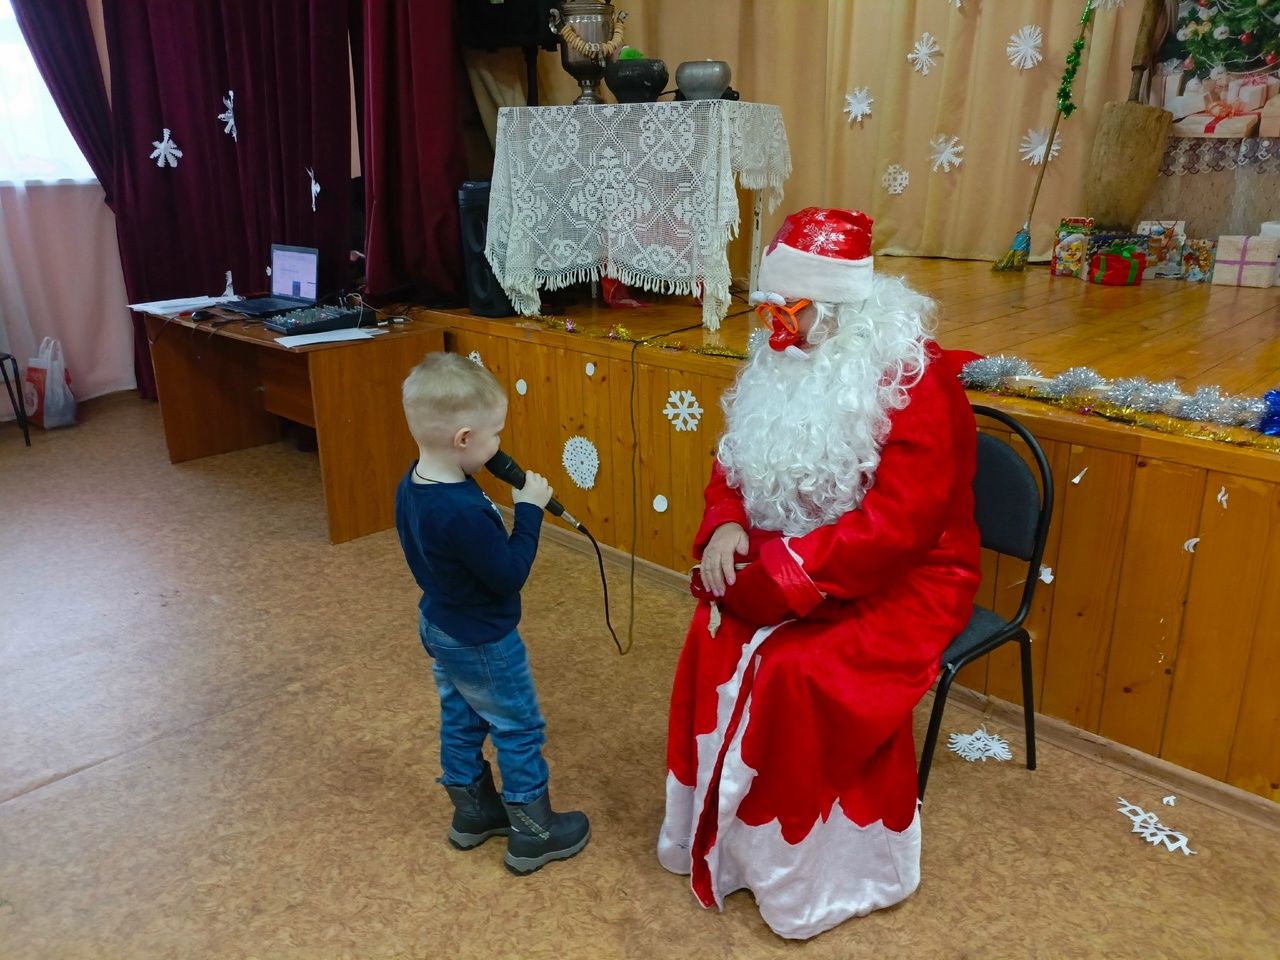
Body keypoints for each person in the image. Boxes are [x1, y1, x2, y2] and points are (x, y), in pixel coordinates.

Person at [657, 208, 982, 939]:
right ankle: (724, 843)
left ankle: (816, 872)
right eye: (768, 307)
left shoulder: (913, 381)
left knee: (797, 674)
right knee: (712, 636)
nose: (774, 327)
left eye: (790, 310)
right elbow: (731, 462)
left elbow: (900, 528)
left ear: (839, 309)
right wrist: (727, 523)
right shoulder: (782, 356)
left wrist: (792, 572)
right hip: (790, 553)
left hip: (906, 575)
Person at [396, 351, 590, 875]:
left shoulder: (414, 483)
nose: (499, 445)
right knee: (517, 726)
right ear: (463, 440)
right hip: (482, 639)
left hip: (439, 624)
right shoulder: (460, 510)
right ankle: (533, 831)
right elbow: (506, 574)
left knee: (461, 717)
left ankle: (474, 814)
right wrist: (528, 512)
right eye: (495, 434)